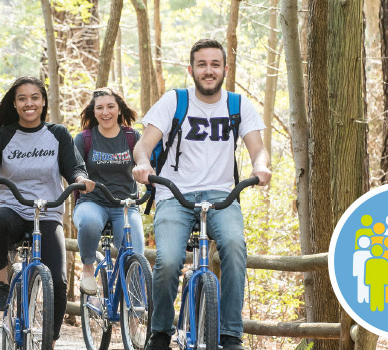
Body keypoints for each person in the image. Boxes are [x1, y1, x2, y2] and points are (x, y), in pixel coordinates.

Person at [131, 39, 272, 350]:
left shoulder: (238, 105)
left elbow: (258, 149)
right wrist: (142, 164)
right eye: (202, 64)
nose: (209, 71)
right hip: (175, 194)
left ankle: (231, 334)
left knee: (235, 249)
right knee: (168, 262)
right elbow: (144, 145)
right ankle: (161, 333)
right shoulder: (174, 101)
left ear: (224, 68)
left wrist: (260, 168)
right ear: (192, 69)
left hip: (222, 195)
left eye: (215, 64)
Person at [0, 76, 94, 345]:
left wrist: (80, 177)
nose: (29, 103)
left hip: (47, 212)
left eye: (35, 97)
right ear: (14, 105)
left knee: (58, 282)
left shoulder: (57, 133)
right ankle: (3, 284)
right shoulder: (2, 136)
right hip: (13, 209)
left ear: (43, 101)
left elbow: (73, 166)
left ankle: (49, 340)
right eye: (22, 99)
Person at [72, 87, 145, 294]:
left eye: (111, 106)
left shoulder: (132, 137)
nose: (106, 112)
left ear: (120, 110)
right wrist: (80, 178)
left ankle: (133, 309)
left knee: (134, 255)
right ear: (93, 112)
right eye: (100, 108)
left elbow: (143, 161)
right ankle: (88, 269)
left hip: (126, 206)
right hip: (92, 202)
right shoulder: (84, 138)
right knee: (89, 222)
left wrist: (146, 173)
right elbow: (73, 168)